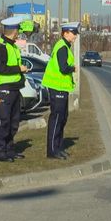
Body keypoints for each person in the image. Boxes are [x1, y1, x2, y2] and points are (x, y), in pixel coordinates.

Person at [0, 16, 30, 162]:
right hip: (4, 89)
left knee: (13, 122)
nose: (19, 33)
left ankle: (9, 150)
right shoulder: (1, 47)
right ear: (13, 31)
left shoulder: (12, 46)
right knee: (3, 121)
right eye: (18, 30)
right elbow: (0, 68)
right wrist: (18, 68)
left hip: (14, 89)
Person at [42, 22, 80, 160]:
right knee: (57, 118)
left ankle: (58, 147)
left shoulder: (65, 47)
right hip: (56, 87)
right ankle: (52, 150)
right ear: (65, 33)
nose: (75, 36)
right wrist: (73, 68)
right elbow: (63, 68)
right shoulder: (62, 47)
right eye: (73, 33)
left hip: (61, 88)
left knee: (62, 118)